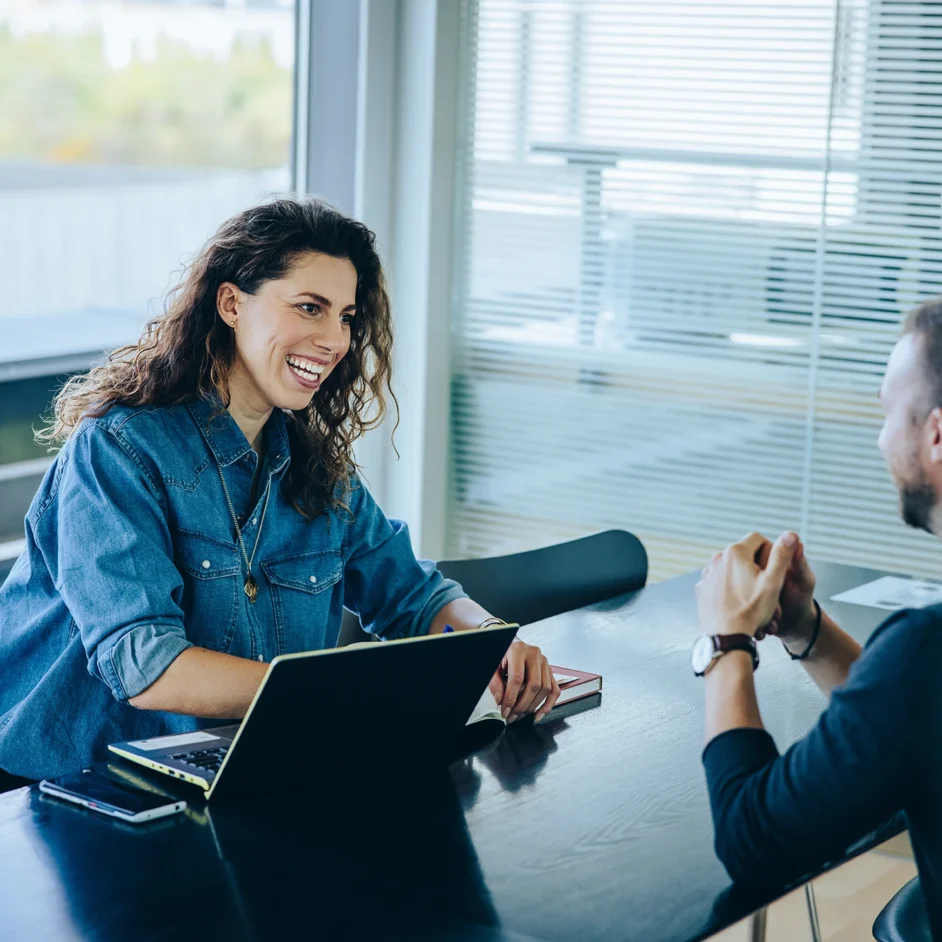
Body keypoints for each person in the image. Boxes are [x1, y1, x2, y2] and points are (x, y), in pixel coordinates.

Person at [0, 197, 559, 782]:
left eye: (345, 316)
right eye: (309, 307)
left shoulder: (316, 467)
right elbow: (147, 666)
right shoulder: (119, 450)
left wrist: (490, 642)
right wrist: (339, 694)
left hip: (239, 766)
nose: (334, 339)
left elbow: (411, 597)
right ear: (231, 304)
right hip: (67, 790)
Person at [692, 297, 942, 936]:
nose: (880, 434)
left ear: (937, 436)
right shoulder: (922, 666)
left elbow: (754, 843)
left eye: (888, 411)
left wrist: (726, 642)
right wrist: (804, 628)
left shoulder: (925, 650)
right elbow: (911, 725)